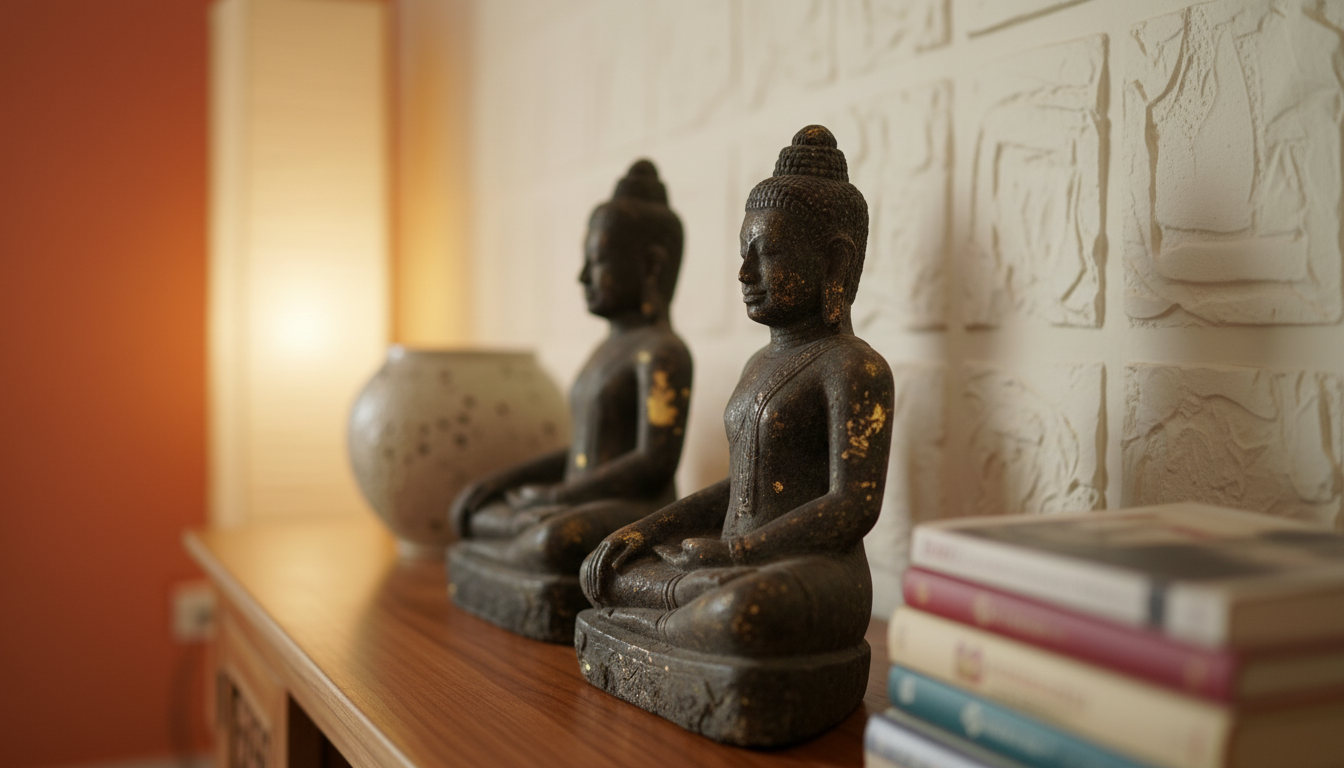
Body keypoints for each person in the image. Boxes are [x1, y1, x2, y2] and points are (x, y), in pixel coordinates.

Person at [579, 125, 893, 668]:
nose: (745, 273)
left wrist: (740, 552)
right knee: (608, 568)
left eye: (766, 253)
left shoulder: (854, 367)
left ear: (834, 264)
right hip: (723, 562)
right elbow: (740, 481)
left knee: (742, 611)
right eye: (743, 252)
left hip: (812, 569)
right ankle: (673, 621)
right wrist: (647, 528)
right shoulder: (757, 366)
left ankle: (656, 624)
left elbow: (853, 504)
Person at [447, 160, 692, 642]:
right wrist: (504, 480)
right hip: (577, 499)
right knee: (483, 513)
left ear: (650, 266)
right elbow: (582, 449)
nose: (582, 275)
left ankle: (516, 554)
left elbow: (654, 461)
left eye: (597, 261)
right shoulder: (605, 349)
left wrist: (559, 497)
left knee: (550, 541)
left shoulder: (661, 352)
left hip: (633, 506)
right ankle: (509, 547)